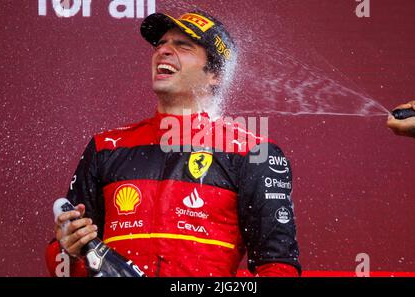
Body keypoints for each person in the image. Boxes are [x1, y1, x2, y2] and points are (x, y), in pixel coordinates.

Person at [46, 10, 301, 277]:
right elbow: (62, 265)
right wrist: (69, 251)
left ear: (215, 74)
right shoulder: (106, 147)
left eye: (183, 46)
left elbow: (278, 266)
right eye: (160, 44)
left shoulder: (252, 152)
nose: (163, 51)